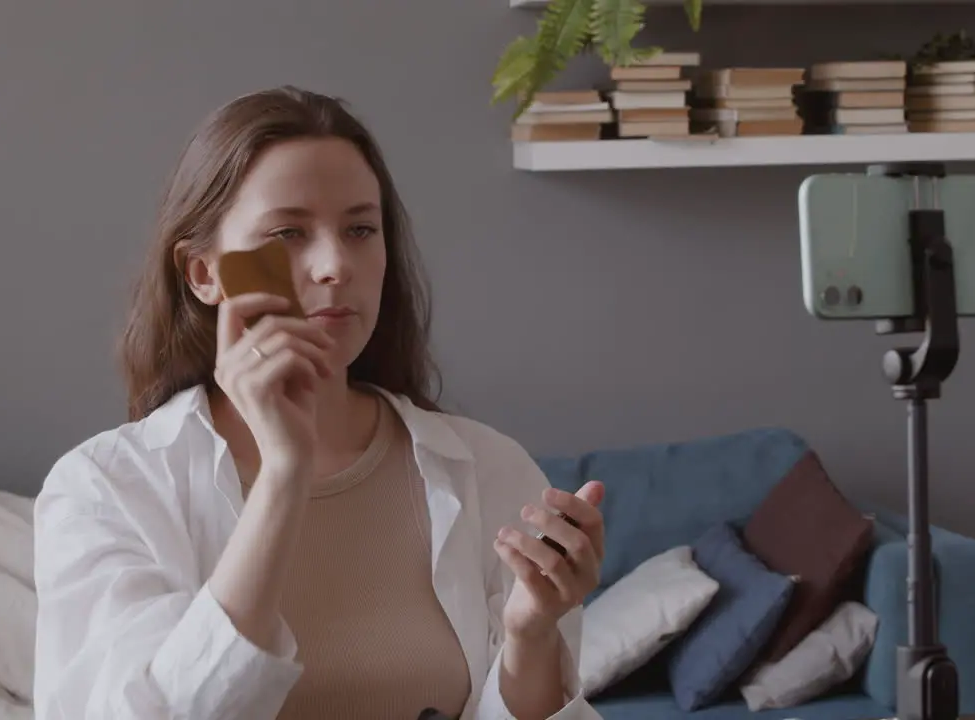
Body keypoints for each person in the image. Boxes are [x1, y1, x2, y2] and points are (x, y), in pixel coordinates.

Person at [31, 86, 607, 720]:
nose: (335, 264)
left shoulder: (491, 468)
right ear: (204, 273)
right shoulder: (105, 488)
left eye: (361, 229)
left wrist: (530, 637)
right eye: (288, 233)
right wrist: (283, 475)